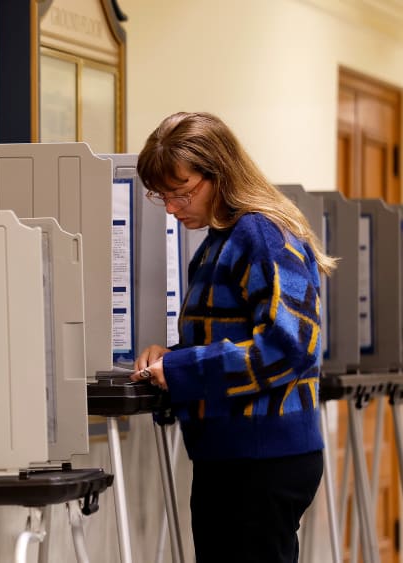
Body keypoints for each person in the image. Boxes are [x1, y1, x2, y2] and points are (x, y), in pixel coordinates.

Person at [128, 111, 337, 563]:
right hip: (236, 456)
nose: (170, 207)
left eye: (180, 192)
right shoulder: (220, 241)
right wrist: (172, 357)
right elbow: (237, 336)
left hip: (261, 459)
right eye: (159, 195)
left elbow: (290, 347)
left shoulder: (259, 233)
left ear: (218, 174)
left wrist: (182, 369)